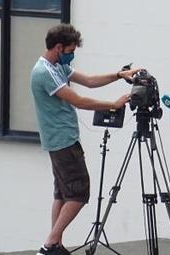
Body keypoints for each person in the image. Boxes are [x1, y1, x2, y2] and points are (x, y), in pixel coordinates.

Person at [31, 23, 138, 255]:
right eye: (70, 51)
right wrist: (113, 104)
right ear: (58, 48)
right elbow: (78, 100)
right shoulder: (45, 72)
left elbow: (89, 80)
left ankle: (55, 244)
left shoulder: (56, 65)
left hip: (60, 139)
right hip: (62, 141)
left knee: (62, 193)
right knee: (79, 193)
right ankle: (49, 244)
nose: (71, 55)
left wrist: (119, 75)